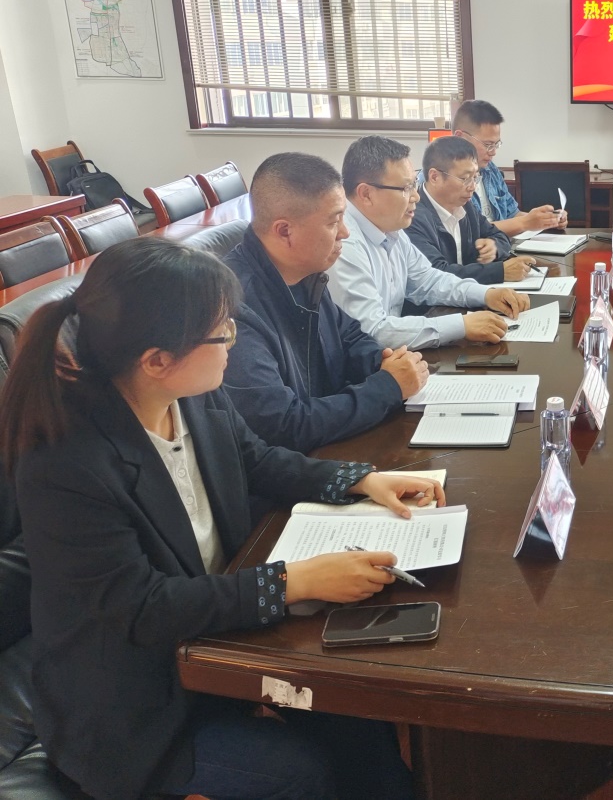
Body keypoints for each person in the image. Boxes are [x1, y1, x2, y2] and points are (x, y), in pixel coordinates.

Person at [0, 237, 446, 800]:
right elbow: (140, 608)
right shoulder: (67, 463)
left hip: (216, 636)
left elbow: (255, 459)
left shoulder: (192, 394)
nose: (234, 340)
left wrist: (359, 480)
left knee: (361, 718)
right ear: (156, 360)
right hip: (133, 700)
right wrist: (294, 581)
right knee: (301, 772)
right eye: (223, 331)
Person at [224, 152, 428, 452]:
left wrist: (383, 363)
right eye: (334, 221)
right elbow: (284, 425)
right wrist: (388, 387)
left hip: (327, 448)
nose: (345, 232)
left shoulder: (305, 272)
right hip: (290, 469)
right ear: (285, 231)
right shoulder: (232, 308)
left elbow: (350, 337)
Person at [328, 135, 531, 349]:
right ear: (366, 194)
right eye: (405, 188)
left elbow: (429, 280)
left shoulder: (391, 230)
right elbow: (372, 331)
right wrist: (461, 325)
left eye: (414, 184)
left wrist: (486, 294)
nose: (415, 197)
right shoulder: (344, 244)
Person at [407, 136, 536, 284]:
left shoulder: (465, 206)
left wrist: (493, 246)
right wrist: (499, 272)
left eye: (475, 178)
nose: (473, 187)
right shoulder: (412, 218)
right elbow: (436, 274)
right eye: (465, 178)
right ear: (435, 177)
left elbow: (498, 234)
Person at [452, 99, 566, 236]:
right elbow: (470, 232)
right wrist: (526, 222)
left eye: (496, 144)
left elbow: (513, 214)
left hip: (503, 245)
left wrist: (547, 219)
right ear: (460, 137)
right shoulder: (448, 179)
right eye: (488, 144)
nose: (493, 152)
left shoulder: (490, 170)